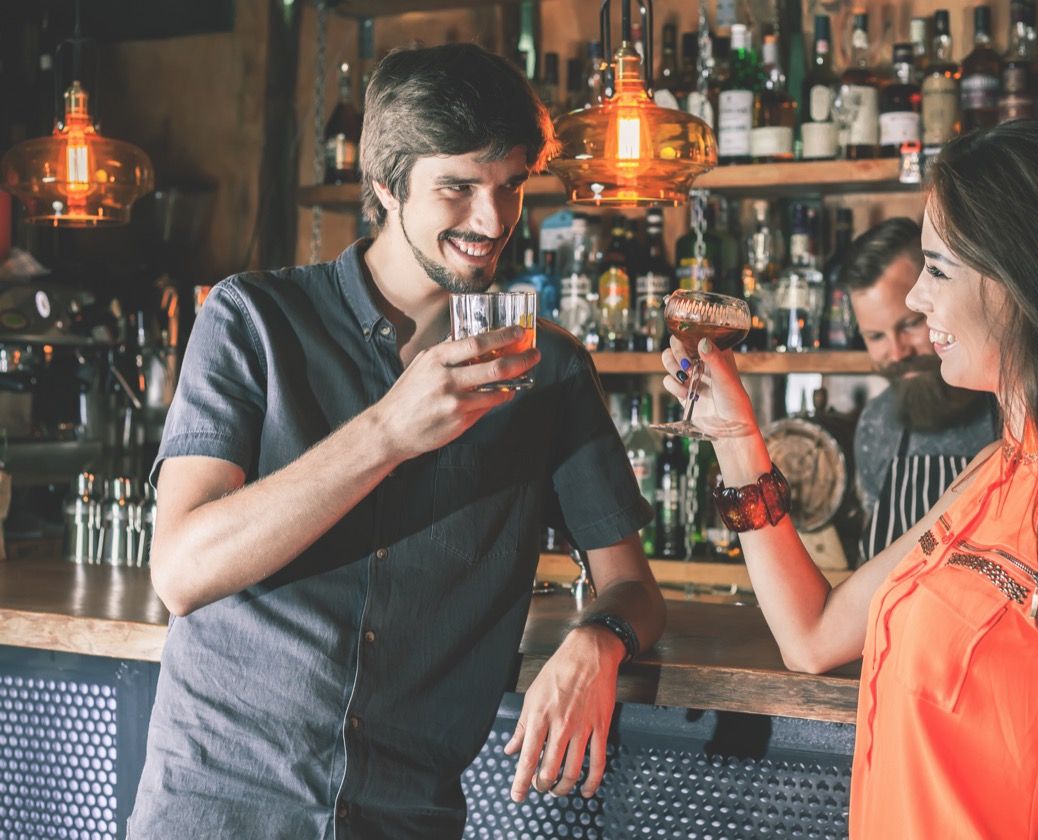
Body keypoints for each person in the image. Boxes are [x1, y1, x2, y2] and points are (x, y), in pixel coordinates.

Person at [128, 43, 665, 838]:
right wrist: (386, 431)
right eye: (459, 186)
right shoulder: (254, 321)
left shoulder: (547, 369)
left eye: (510, 186)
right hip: (219, 805)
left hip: (407, 816)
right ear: (386, 182)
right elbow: (180, 571)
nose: (492, 221)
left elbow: (633, 587)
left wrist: (600, 641)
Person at [661, 120, 1038, 837]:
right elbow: (812, 637)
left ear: (1034, 285)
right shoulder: (992, 472)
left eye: (938, 269)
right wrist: (734, 434)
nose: (914, 300)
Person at [839, 217, 997, 562]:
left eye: (910, 324)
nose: (897, 353)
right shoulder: (876, 425)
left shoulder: (1013, 407)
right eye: (876, 337)